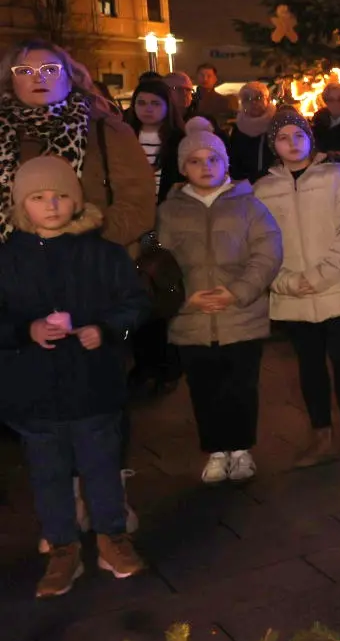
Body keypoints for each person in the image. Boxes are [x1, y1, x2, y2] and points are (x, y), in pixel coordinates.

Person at [0, 156, 151, 596]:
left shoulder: (103, 254)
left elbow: (136, 306)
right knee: (47, 472)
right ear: (21, 205)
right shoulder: (9, 259)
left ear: (78, 201)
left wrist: (104, 330)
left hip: (94, 386)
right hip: (34, 391)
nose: (52, 205)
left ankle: (111, 537)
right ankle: (62, 547)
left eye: (62, 195)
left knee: (102, 466)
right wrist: (24, 331)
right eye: (39, 198)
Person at [158, 128, 283, 484]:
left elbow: (267, 251)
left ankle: (241, 450)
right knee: (204, 388)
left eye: (213, 159)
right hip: (192, 318)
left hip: (241, 315)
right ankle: (216, 450)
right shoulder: (168, 211)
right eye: (195, 161)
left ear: (225, 162)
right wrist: (180, 296)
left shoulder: (250, 204)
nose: (205, 166)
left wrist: (239, 291)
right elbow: (155, 260)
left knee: (241, 386)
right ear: (183, 168)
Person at [255, 109, 340, 467]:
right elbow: (263, 244)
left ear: (310, 138)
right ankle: (321, 434)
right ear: (273, 145)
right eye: (283, 137)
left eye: (298, 135)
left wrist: (322, 274)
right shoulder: (264, 189)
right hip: (292, 292)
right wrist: (287, 280)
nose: (292, 144)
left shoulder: (337, 176)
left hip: (339, 285)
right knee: (309, 366)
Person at [1, 39, 154, 251]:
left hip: (93, 267)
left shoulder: (107, 131)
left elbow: (137, 205)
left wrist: (81, 244)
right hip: (13, 270)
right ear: (11, 80)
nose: (38, 77)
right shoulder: (5, 133)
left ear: (70, 77)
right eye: (25, 71)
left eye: (50, 69)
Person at [124, 79, 186, 396]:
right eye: (142, 103)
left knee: (162, 292)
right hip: (132, 225)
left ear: (166, 107)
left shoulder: (176, 140)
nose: (147, 109)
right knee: (135, 294)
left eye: (155, 103)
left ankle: (168, 364)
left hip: (162, 224)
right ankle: (143, 363)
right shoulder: (124, 136)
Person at [226, 81, 277, 184]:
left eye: (258, 98)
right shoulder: (238, 127)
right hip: (245, 185)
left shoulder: (277, 123)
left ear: (267, 99)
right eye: (247, 99)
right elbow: (234, 159)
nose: (253, 103)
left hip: (274, 182)